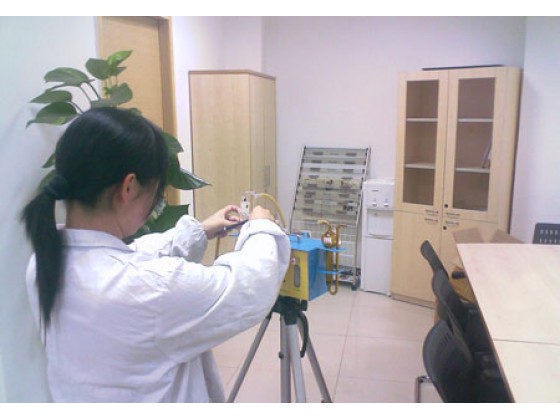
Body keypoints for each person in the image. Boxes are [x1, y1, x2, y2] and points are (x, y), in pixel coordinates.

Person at [21, 107, 290, 402]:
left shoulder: (45, 262)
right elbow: (246, 286)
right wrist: (262, 227)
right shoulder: (150, 290)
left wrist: (200, 231)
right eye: (156, 191)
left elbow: (131, 257)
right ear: (129, 187)